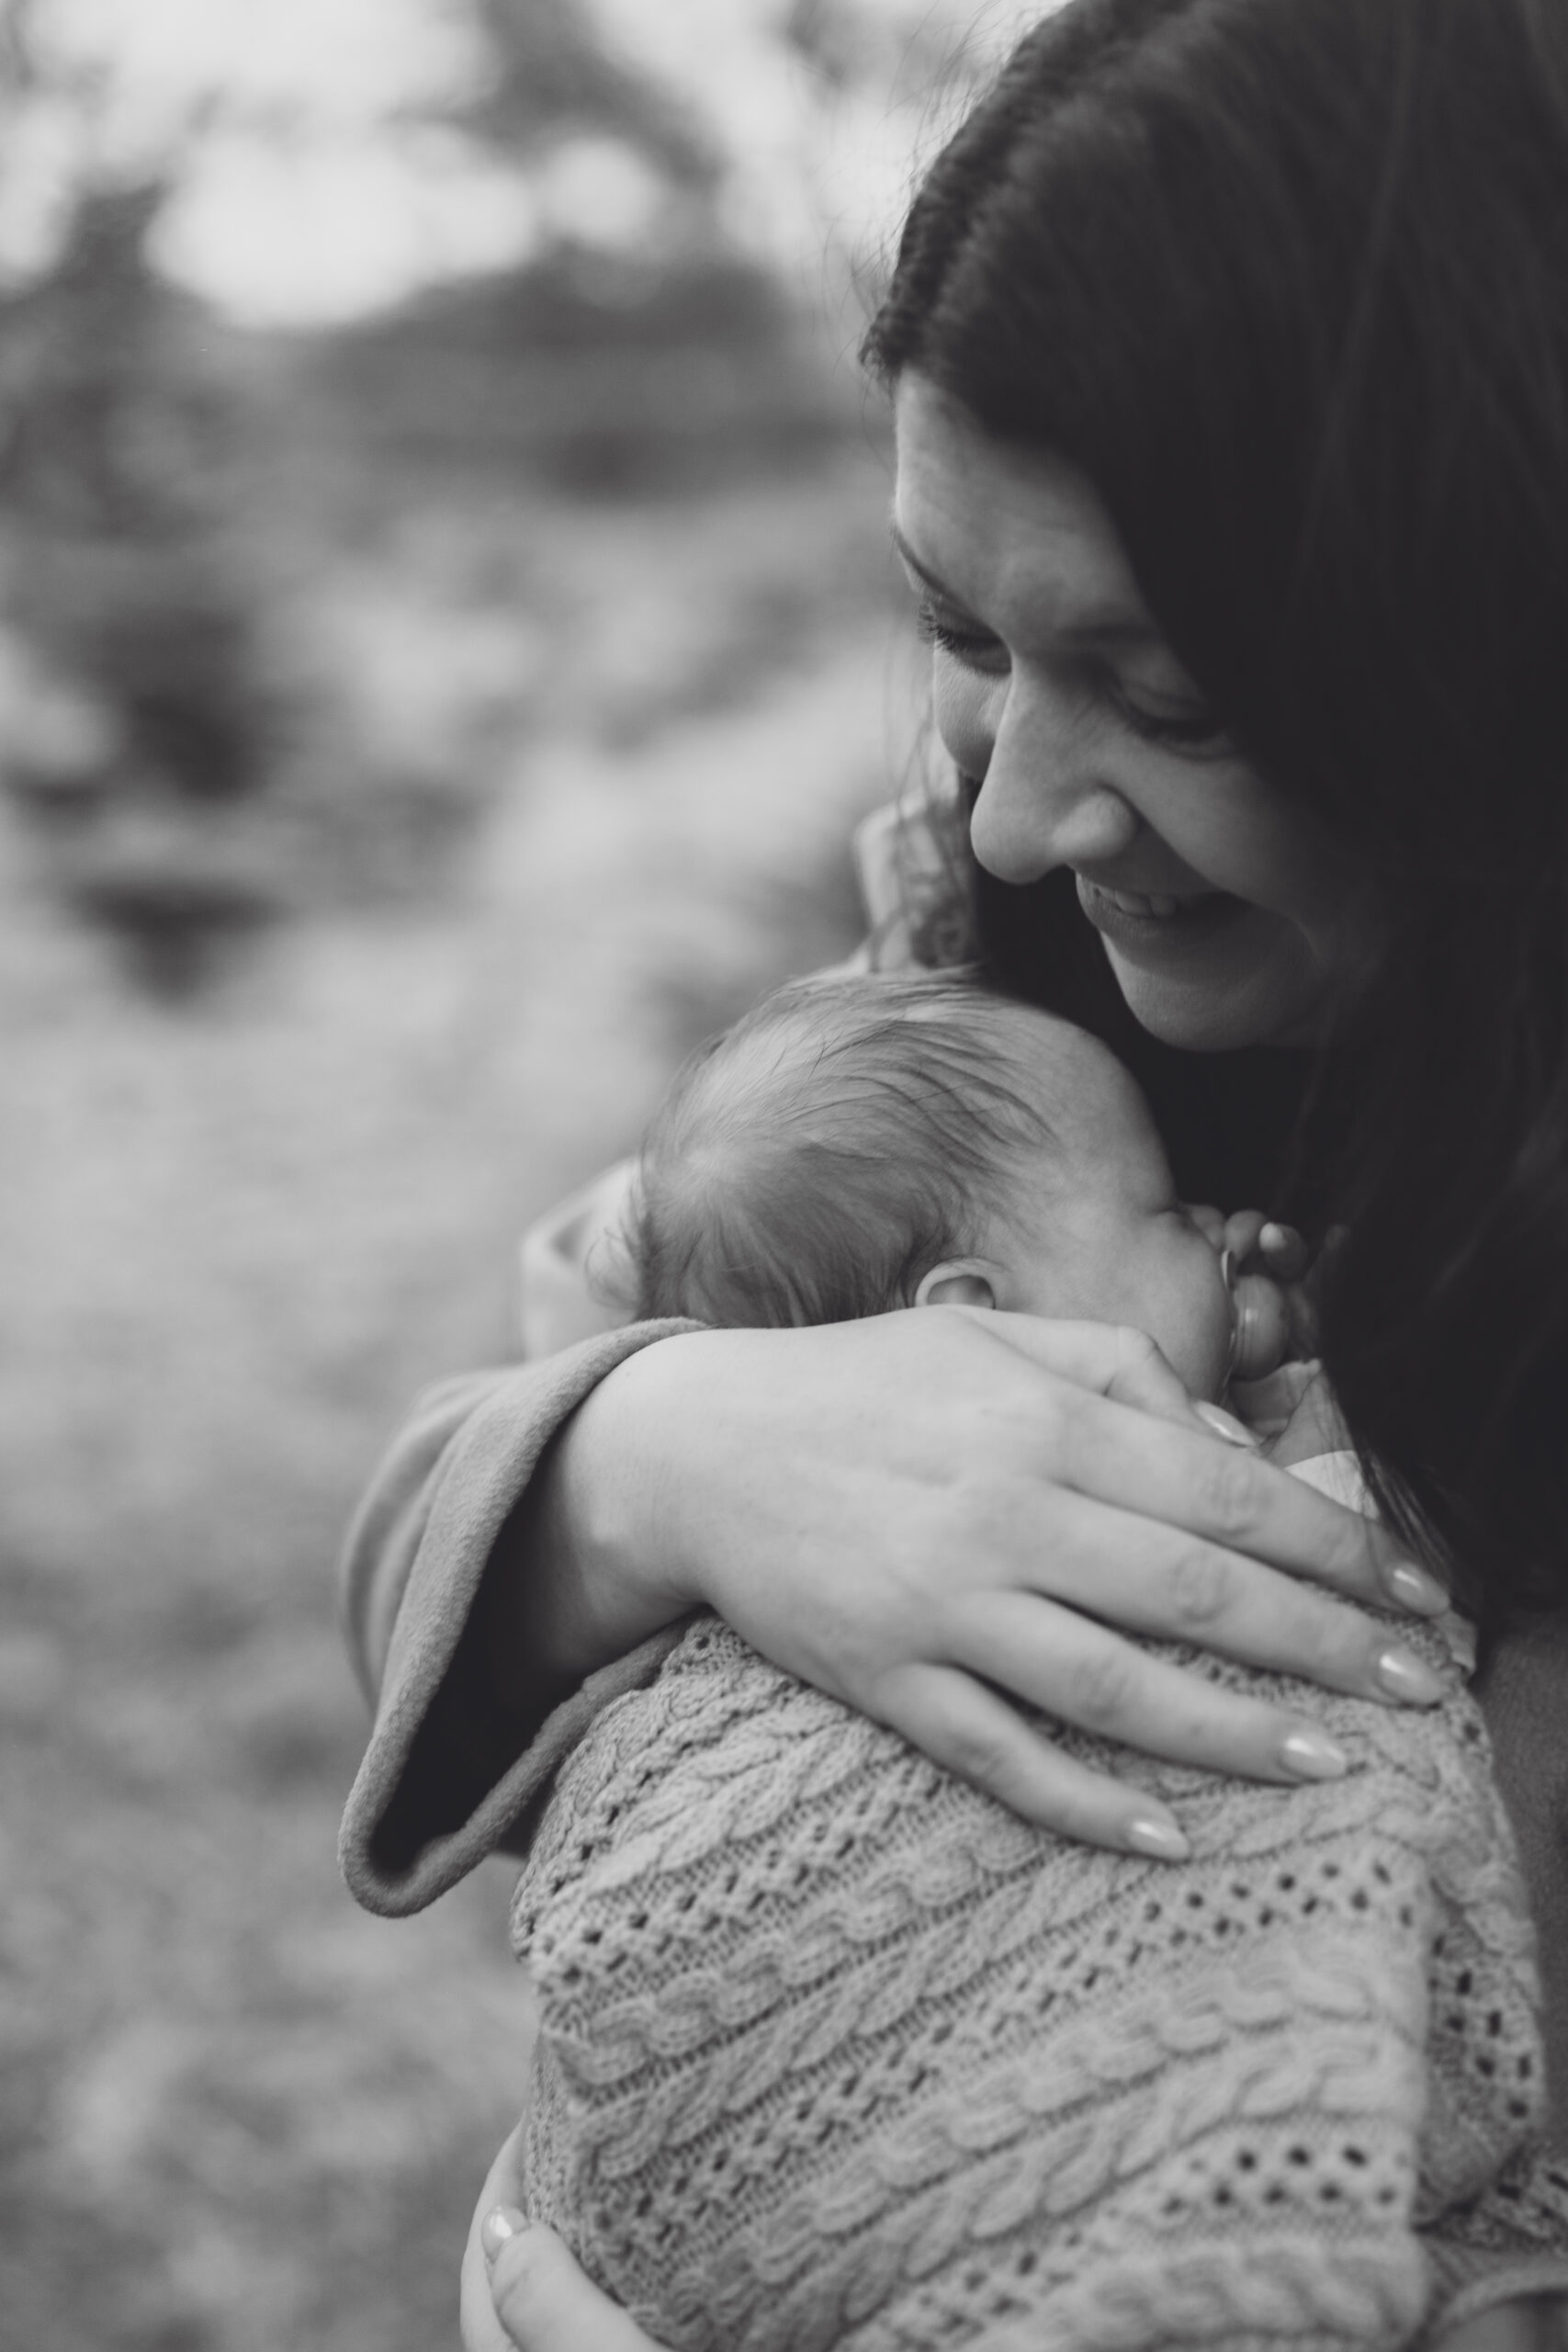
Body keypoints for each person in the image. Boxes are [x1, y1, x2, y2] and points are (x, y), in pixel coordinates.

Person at [333, 0, 1568, 2341]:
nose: (1015, 809)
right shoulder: (996, 982)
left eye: (1175, 700)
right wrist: (660, 1449)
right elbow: (426, 1524)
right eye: (958, 627)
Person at [504, 966, 1565, 2350]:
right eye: (1167, 1210)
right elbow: (1369, 1558)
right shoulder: (1128, 1506)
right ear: (984, 1312)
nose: (1228, 1229)